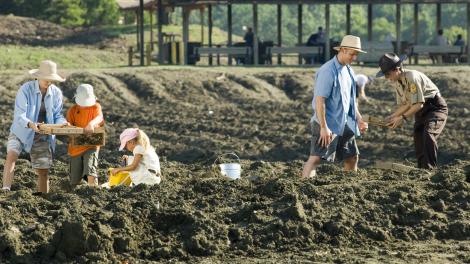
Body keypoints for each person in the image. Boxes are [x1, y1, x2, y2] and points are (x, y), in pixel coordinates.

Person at [302, 35, 368, 178]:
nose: (354, 58)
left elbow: (351, 100)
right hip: (328, 122)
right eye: (352, 54)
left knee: (352, 157)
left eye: (356, 54)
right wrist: (324, 127)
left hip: (345, 123)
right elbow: (320, 101)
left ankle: (349, 186)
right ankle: (303, 188)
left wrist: (358, 118)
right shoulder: (328, 71)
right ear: (343, 50)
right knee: (316, 158)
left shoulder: (349, 71)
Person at [2, 60, 67, 193]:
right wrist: (31, 124)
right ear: (38, 76)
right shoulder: (26, 89)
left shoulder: (56, 93)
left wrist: (63, 123)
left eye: (51, 79)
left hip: (43, 132)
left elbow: (57, 114)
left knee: (43, 170)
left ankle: (43, 197)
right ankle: (5, 189)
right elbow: (20, 115)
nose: (48, 82)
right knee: (11, 155)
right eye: (46, 78)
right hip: (22, 129)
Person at [377, 53, 448, 170]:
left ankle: (430, 169)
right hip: (420, 110)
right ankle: (422, 171)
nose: (386, 78)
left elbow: (418, 104)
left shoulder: (412, 77)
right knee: (418, 137)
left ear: (397, 69)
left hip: (434, 107)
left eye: (387, 74)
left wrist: (402, 118)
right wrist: (392, 116)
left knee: (429, 134)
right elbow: (406, 104)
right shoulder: (397, 82)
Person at [66, 84, 104, 187]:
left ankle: (94, 191)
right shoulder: (72, 110)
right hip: (76, 147)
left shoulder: (96, 107)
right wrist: (68, 127)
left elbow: (99, 117)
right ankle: (75, 196)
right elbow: (68, 126)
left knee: (90, 170)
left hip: (92, 144)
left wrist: (91, 124)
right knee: (74, 179)